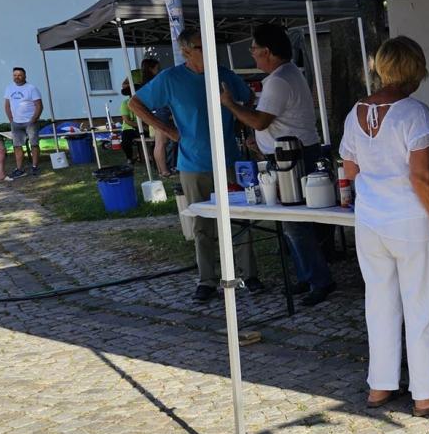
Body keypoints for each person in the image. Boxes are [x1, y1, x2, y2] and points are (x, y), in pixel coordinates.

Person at [340, 37, 429, 417]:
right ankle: (424, 393)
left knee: (379, 304)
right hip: (410, 221)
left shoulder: (354, 112)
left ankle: (380, 385)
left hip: (370, 220)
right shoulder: (414, 112)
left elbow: (350, 169)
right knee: (421, 306)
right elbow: (422, 178)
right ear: (415, 70)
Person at [127, 28, 260, 303]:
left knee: (240, 221)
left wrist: (238, 121)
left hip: (230, 160)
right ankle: (207, 280)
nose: (209, 50)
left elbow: (247, 96)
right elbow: (135, 103)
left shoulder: (223, 73)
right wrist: (167, 130)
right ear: (186, 51)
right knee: (202, 225)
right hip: (193, 163)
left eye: (210, 44)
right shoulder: (171, 78)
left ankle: (249, 275)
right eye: (202, 46)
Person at [220, 23, 336, 306]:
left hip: (292, 157)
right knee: (295, 222)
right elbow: (271, 122)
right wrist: (261, 141)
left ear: (267, 51)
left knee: (295, 224)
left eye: (254, 49)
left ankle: (319, 280)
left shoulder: (278, 80)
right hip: (293, 153)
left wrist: (231, 105)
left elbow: (261, 120)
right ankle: (308, 276)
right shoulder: (287, 74)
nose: (253, 54)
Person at [2, 66, 43, 177]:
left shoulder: (31, 88)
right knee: (17, 146)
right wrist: (11, 120)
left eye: (19, 75)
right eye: (15, 75)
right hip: (16, 122)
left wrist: (33, 119)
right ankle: (19, 168)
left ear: (25, 76)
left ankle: (35, 167)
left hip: (30, 121)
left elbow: (39, 105)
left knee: (34, 144)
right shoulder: (9, 88)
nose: (17, 77)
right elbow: (7, 105)